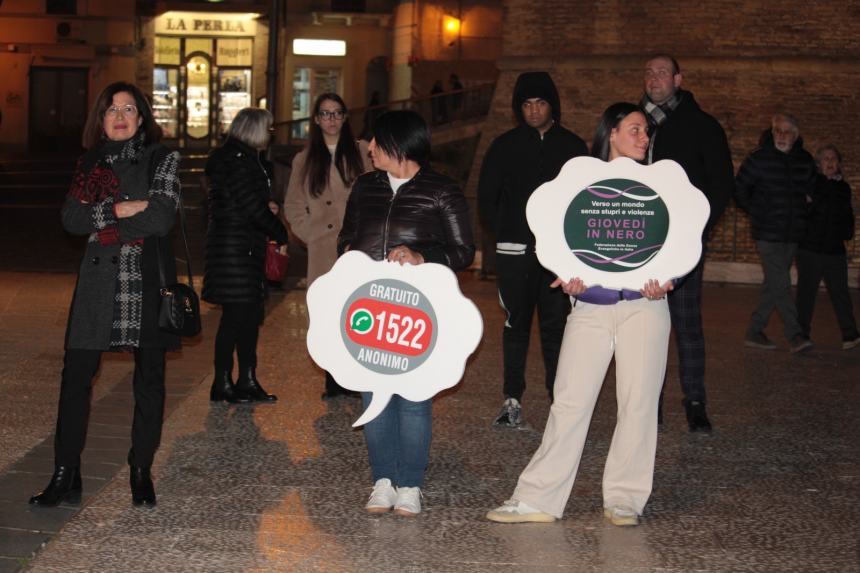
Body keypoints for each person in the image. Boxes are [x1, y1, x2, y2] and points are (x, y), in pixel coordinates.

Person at [486, 102, 674, 527]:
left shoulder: (662, 188)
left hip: (645, 307)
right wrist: (569, 276)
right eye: (636, 129)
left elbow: (675, 245)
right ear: (611, 133)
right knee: (568, 402)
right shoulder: (581, 185)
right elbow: (564, 238)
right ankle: (538, 498)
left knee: (638, 403)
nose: (644, 137)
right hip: (590, 306)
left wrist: (667, 278)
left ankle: (625, 498)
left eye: (646, 132)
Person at [29, 81, 181, 508]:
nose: (119, 117)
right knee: (75, 378)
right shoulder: (88, 162)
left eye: (129, 109)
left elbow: (161, 218)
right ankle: (65, 472)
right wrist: (117, 209)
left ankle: (140, 469)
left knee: (149, 380)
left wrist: (104, 227)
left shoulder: (162, 159)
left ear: (142, 117)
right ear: (100, 119)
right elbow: (71, 219)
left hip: (146, 279)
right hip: (98, 284)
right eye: (111, 110)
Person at [337, 110, 475, 517]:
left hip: (419, 310)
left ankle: (411, 483)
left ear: (397, 142)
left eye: (376, 141)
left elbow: (463, 251)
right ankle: (382, 479)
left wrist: (421, 256)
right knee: (373, 394)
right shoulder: (364, 187)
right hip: (368, 306)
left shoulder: (442, 190)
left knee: (414, 397)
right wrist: (347, 252)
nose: (370, 147)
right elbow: (347, 234)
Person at [477, 71, 588, 427]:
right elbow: (486, 198)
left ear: (552, 105)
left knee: (557, 327)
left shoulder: (572, 147)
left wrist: (571, 247)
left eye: (540, 103)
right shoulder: (504, 146)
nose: (534, 110)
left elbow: (583, 201)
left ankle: (560, 402)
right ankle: (512, 398)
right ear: (518, 108)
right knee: (516, 325)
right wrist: (507, 233)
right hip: (515, 253)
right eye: (526, 104)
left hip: (558, 256)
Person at [640, 54, 735, 432]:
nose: (654, 78)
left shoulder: (703, 126)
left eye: (662, 72)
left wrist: (698, 230)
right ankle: (649, 404)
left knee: (687, 324)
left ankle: (695, 402)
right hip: (640, 244)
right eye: (648, 72)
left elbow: (721, 183)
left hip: (682, 243)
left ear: (678, 79)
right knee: (646, 325)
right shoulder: (634, 123)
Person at [284, 93, 371, 398]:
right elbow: (293, 205)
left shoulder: (362, 151)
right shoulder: (304, 160)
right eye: (325, 114)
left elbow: (376, 193)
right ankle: (333, 379)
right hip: (323, 247)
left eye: (337, 113)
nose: (331, 119)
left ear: (345, 117)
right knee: (328, 313)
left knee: (359, 313)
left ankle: (357, 375)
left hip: (358, 246)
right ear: (317, 120)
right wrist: (312, 234)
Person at [203, 108, 289, 404]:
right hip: (236, 252)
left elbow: (247, 203)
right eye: (268, 128)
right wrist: (280, 231)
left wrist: (268, 211)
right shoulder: (238, 161)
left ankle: (241, 380)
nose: (270, 133)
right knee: (238, 318)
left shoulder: (239, 158)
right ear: (253, 129)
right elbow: (251, 207)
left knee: (245, 318)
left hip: (238, 249)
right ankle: (227, 382)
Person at [734, 113, 815, 353]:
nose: (781, 135)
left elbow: (813, 191)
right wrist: (755, 212)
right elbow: (739, 189)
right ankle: (795, 334)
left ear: (795, 136)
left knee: (773, 284)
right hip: (767, 232)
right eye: (777, 130)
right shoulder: (758, 159)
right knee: (781, 283)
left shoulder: (805, 160)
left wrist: (806, 207)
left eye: (786, 131)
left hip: (792, 233)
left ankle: (754, 330)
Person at [795, 145, 860, 350]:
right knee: (806, 294)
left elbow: (847, 215)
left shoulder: (844, 188)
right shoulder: (812, 184)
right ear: (818, 164)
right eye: (825, 159)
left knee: (840, 293)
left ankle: (850, 334)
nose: (830, 162)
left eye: (833, 158)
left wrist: (847, 231)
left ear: (839, 163)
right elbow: (805, 212)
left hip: (834, 250)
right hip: (810, 248)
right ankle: (801, 334)